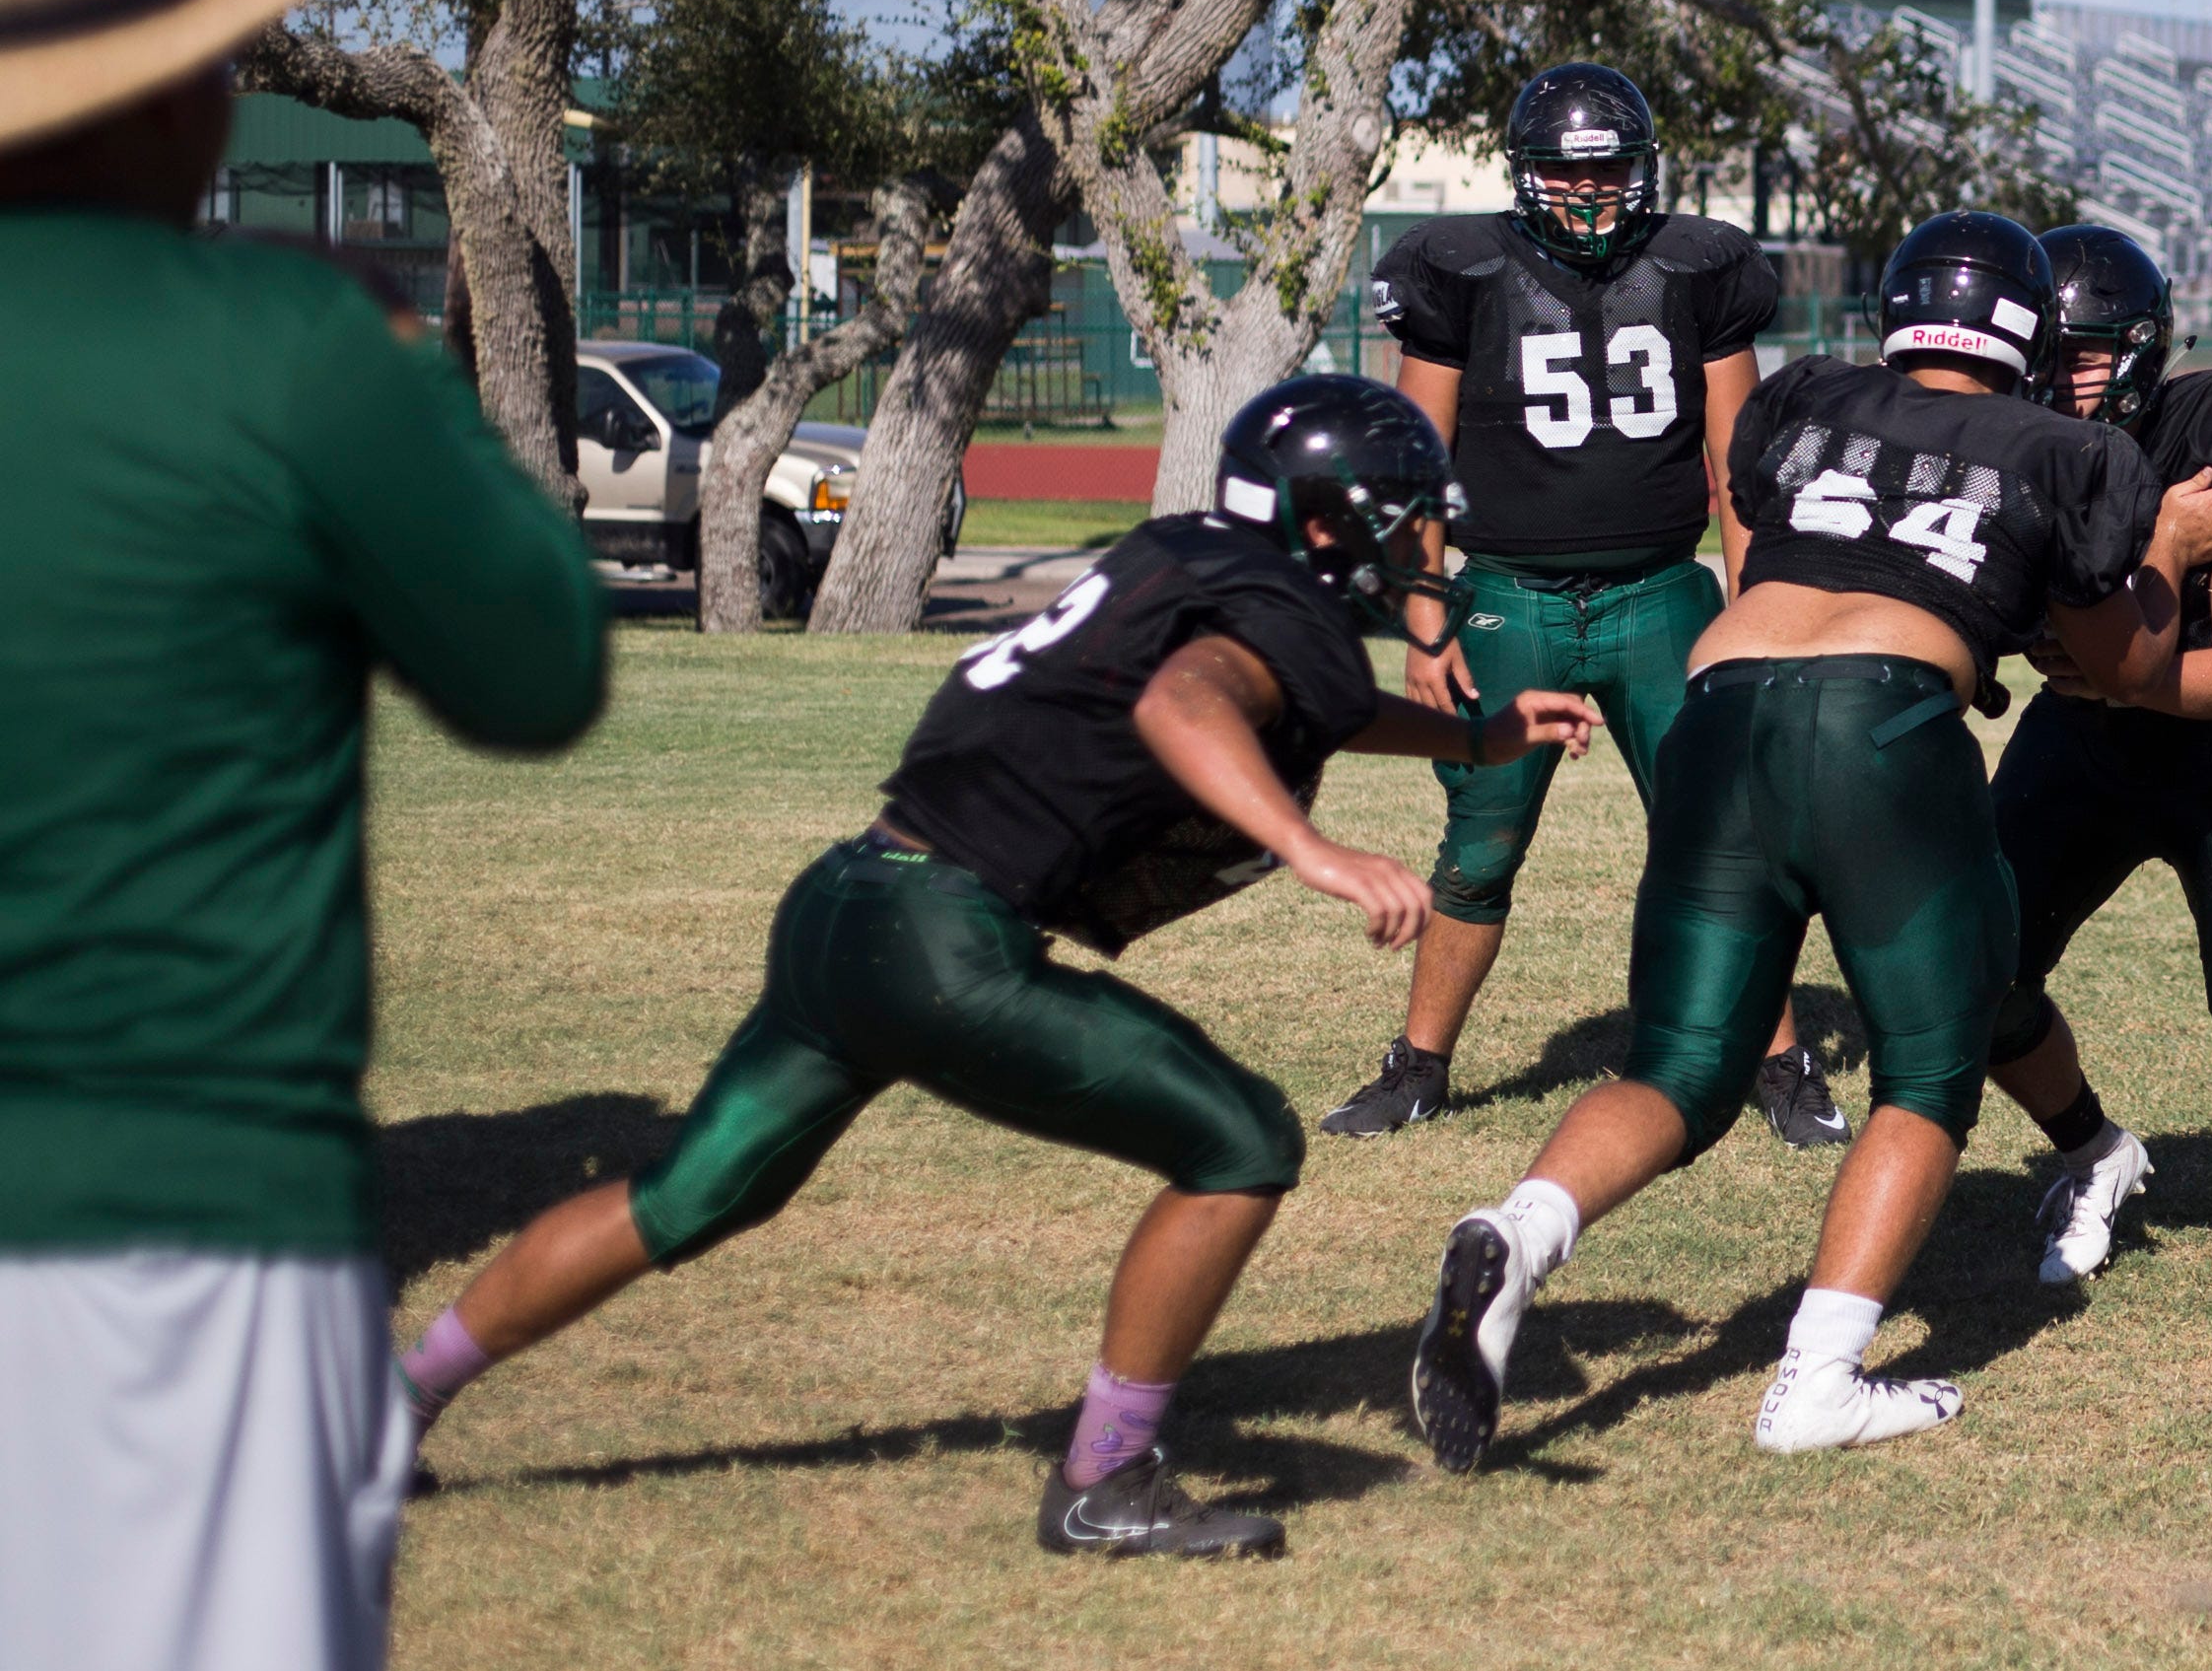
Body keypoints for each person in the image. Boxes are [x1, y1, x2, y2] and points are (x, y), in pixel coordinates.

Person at [400, 380, 1600, 1561]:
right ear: (1328, 521)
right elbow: (1188, 700)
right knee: (1241, 1141)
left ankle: (397, 1400)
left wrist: (1475, 735)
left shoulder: (1189, 553)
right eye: (1408, 520)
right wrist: (1311, 848)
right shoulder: (1275, 608)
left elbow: (1289, 697)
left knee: (683, 1197)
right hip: (946, 938)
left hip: (847, 898)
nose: (1426, 549)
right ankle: (1105, 1476)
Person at [0, 0, 611, 1671]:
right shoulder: (274, 346)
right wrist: (391, 390)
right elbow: (537, 665)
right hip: (173, 1225)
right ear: (169, 90)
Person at [1405, 213, 2212, 1471]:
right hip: (1880, 724)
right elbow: (2131, 663)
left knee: (1678, 1066)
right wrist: (2170, 543)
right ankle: (1815, 1380)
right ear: (2027, 337)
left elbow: (1816, 534)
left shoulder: (1810, 398)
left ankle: (1521, 1228)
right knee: (1925, 1073)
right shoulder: (2063, 446)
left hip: (1717, 707)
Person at [1325, 63, 1832, 1144]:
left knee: (1727, 838)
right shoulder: (1459, 269)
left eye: (1608, 169)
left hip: (1661, 594)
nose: (1589, 190)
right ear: (1524, 171)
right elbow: (1415, 459)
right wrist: (1425, 619)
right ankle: (1418, 1066)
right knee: (1481, 845)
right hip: (1510, 598)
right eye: (1565, 169)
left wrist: (1756, 614)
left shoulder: (1696, 266)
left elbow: (1737, 466)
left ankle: (1781, 1063)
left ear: (1642, 169)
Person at [1975, 226, 2212, 1351]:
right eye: (2043, 350)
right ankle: (2094, 1150)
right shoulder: (2003, 443)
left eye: (2083, 353)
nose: (2059, 374)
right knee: (1971, 964)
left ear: (2139, 348)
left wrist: (2124, 665)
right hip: (2081, 742)